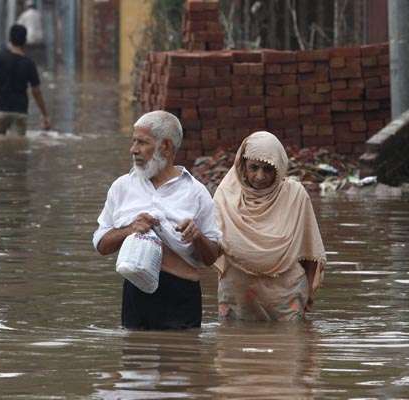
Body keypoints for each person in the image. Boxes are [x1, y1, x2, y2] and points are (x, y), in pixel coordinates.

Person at [92, 110, 221, 330]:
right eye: (133, 142)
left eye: (142, 143)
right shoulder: (122, 187)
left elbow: (211, 257)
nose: (133, 150)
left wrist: (196, 236)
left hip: (181, 295)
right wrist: (130, 230)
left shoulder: (196, 192)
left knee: (183, 359)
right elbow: (101, 245)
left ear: (166, 147)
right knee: (136, 356)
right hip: (135, 295)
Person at [213, 131, 326, 322]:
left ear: (280, 168)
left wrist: (309, 294)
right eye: (253, 168)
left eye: (268, 169)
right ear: (243, 166)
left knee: (290, 348)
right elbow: (212, 247)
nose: (259, 176)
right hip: (238, 296)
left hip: (285, 295)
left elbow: (309, 250)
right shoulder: (225, 196)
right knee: (232, 347)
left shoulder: (295, 195)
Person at [0, 24, 50, 136]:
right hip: (20, 111)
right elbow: (36, 92)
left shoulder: (1, 58)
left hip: (0, 110)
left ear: (10, 39)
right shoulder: (29, 64)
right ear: (25, 41)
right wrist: (45, 115)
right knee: (19, 147)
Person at [16, 0, 45, 66]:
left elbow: (18, 25)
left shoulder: (24, 15)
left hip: (28, 38)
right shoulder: (38, 14)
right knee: (37, 55)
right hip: (39, 38)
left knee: (28, 54)